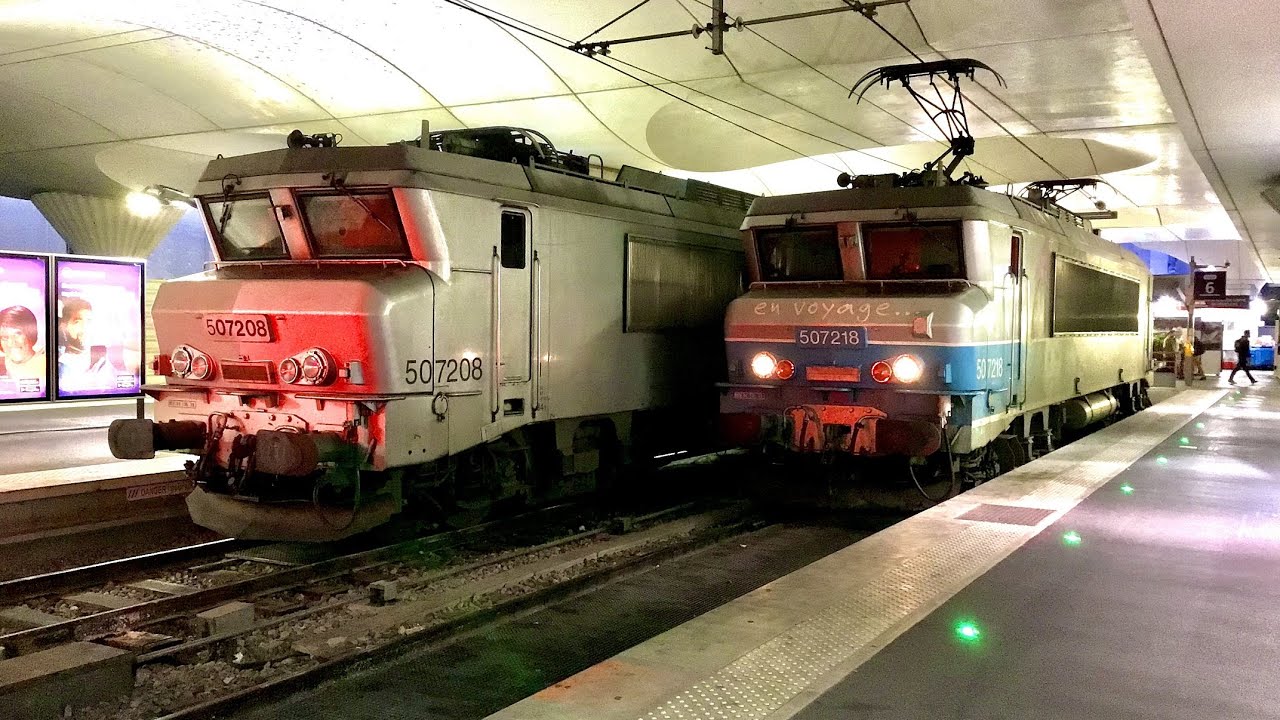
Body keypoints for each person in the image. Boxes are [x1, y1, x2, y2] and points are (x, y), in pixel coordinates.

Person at [0, 305, 46, 380]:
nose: (11, 343)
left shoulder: (46, 365)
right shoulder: (5, 362)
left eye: (18, 334)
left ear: (30, 334)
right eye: (5, 337)